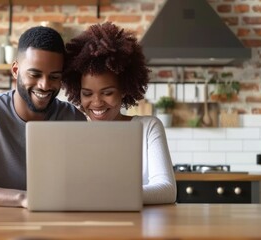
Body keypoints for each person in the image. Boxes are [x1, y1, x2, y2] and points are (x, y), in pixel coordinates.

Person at [0, 26, 86, 208]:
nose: (45, 85)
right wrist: (24, 199)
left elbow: (84, 185)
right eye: (35, 74)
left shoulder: (73, 119)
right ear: (15, 70)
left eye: (54, 77)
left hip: (55, 224)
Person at [62, 22, 176, 204]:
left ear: (123, 90)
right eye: (87, 94)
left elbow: (167, 190)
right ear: (78, 92)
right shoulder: (73, 131)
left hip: (140, 228)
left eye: (107, 93)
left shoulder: (147, 128)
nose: (97, 102)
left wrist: (105, 195)